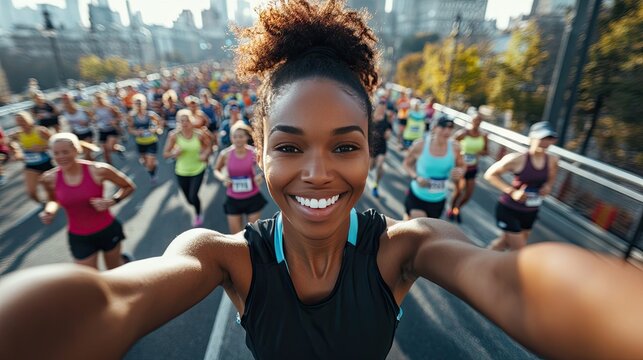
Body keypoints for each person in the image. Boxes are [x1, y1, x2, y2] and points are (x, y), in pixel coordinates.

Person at [1, 2, 642, 360]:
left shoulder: (405, 248)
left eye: (345, 145)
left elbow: (511, 280)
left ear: (370, 154)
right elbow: (113, 299)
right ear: (259, 150)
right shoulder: (222, 257)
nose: (316, 171)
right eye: (289, 145)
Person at [39, 133, 136, 269]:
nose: (61, 157)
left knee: (113, 272)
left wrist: (112, 201)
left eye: (65, 152)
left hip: (107, 230)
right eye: (56, 153)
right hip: (78, 236)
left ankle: (123, 262)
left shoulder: (99, 170)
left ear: (76, 150)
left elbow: (128, 186)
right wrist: (49, 211)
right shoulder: (49, 178)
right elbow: (53, 200)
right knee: (89, 279)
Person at [484, 121, 559, 251]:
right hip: (509, 209)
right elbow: (490, 175)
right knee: (519, 250)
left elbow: (551, 178)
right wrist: (512, 192)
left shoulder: (552, 161)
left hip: (531, 211)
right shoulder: (517, 159)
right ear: (532, 138)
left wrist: (548, 186)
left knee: (502, 244)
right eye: (542, 138)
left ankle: (481, 261)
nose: (546, 142)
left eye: (550, 138)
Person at [403, 116, 465, 219]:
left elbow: (462, 165)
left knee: (426, 231)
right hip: (418, 195)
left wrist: (460, 171)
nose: (447, 131)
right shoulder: (420, 145)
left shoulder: (455, 148)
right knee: (419, 228)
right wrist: (416, 177)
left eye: (450, 128)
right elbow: (406, 164)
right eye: (443, 127)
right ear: (434, 127)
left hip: (439, 199)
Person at [214, 121, 266, 234]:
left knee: (253, 234)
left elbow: (264, 168)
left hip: (252, 197)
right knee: (236, 236)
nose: (238, 139)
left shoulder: (254, 153)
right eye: (235, 137)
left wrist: (260, 176)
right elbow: (216, 170)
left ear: (247, 137)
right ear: (231, 138)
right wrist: (223, 178)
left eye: (241, 136)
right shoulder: (225, 154)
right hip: (233, 198)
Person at [163, 109, 211, 227]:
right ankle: (195, 205)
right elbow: (165, 154)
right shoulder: (174, 136)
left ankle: (198, 213)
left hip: (198, 169)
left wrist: (204, 154)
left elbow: (208, 146)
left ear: (192, 121)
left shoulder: (199, 134)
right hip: (181, 171)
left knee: (193, 195)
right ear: (178, 122)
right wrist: (174, 153)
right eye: (181, 121)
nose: (184, 123)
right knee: (189, 200)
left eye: (187, 120)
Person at [448, 113, 488, 223]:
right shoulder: (463, 133)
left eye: (479, 121)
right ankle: (451, 210)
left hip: (472, 168)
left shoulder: (483, 135)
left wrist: (479, 152)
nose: (477, 122)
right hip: (460, 167)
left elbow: (486, 151)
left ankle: (458, 208)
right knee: (458, 192)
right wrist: (458, 154)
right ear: (471, 121)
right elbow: (450, 144)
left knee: (468, 194)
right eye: (475, 120)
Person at [8, 111, 53, 202]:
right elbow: (8, 142)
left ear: (29, 120)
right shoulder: (17, 134)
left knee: (49, 189)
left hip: (45, 163)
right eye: (18, 121)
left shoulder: (40, 130)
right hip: (30, 165)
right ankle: (42, 205)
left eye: (23, 120)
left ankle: (51, 207)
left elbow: (55, 143)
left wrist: (43, 148)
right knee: (31, 192)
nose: (21, 123)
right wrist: (15, 152)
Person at [127, 94, 162, 184]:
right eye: (136, 103)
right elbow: (130, 129)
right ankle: (153, 167)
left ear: (144, 103)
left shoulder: (150, 115)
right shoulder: (132, 117)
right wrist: (136, 132)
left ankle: (153, 175)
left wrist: (156, 129)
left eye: (140, 103)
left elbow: (160, 122)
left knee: (150, 163)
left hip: (151, 141)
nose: (138, 105)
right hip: (140, 143)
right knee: (145, 162)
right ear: (134, 104)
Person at [369, 94, 392, 199]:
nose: (382, 109)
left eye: (384, 108)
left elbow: (389, 133)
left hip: (382, 146)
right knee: (370, 167)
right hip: (371, 146)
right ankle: (380, 169)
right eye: (381, 107)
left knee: (379, 165)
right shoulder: (370, 116)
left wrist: (388, 134)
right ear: (377, 107)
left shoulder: (387, 118)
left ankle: (375, 185)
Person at [93, 92, 125, 165]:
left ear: (104, 99)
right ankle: (110, 167)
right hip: (102, 130)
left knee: (110, 148)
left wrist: (114, 121)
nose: (99, 101)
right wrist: (95, 121)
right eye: (97, 99)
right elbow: (93, 120)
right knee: (105, 152)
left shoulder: (110, 108)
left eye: (100, 99)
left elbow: (120, 116)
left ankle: (118, 149)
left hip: (111, 130)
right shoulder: (95, 109)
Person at [61, 92, 95, 160]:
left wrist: (87, 122)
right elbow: (68, 125)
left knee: (86, 153)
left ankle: (91, 168)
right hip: (77, 135)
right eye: (64, 100)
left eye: (68, 100)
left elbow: (93, 119)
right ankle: (93, 167)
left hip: (87, 133)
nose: (66, 102)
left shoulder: (82, 110)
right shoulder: (64, 113)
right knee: (87, 155)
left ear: (72, 100)